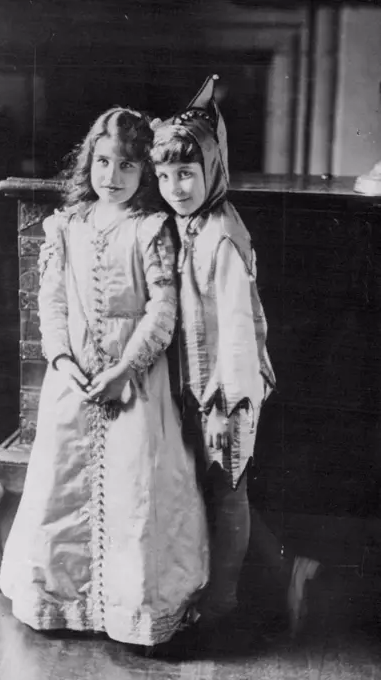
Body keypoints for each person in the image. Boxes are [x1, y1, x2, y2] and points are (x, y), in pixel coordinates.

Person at [0, 107, 209, 649]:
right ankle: (64, 602)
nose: (111, 177)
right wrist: (62, 360)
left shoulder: (150, 229)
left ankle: (130, 612)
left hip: (133, 381)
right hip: (71, 382)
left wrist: (123, 369)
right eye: (103, 162)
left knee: (134, 492)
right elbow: (51, 304)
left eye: (128, 166)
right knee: (61, 484)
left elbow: (163, 310)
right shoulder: (65, 226)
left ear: (144, 174)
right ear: (88, 161)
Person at [151, 77, 320, 645]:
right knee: (222, 490)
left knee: (227, 491)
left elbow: (240, 325)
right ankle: (287, 572)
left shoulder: (221, 232)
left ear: (212, 171)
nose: (175, 187)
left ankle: (220, 608)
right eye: (165, 176)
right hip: (194, 387)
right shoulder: (187, 224)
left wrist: (230, 399)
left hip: (226, 390)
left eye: (187, 174)